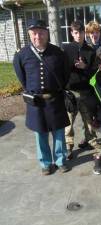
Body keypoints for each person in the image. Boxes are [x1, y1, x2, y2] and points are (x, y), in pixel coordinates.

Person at [13, 19, 70, 175]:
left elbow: (65, 74)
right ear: (30, 35)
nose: (38, 36)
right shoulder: (22, 55)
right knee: (40, 133)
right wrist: (32, 90)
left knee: (59, 132)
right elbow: (21, 77)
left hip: (55, 99)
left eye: (41, 33)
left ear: (47, 33)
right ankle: (45, 163)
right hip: (35, 102)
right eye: (34, 33)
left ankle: (60, 160)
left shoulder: (58, 53)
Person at [63, 20, 98, 157]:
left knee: (88, 120)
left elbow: (95, 72)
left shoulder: (90, 51)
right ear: (72, 33)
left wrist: (85, 67)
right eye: (76, 33)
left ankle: (92, 141)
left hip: (85, 91)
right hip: (71, 92)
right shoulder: (66, 49)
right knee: (69, 123)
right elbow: (61, 71)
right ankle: (69, 147)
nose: (79, 35)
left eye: (81, 32)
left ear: (84, 33)